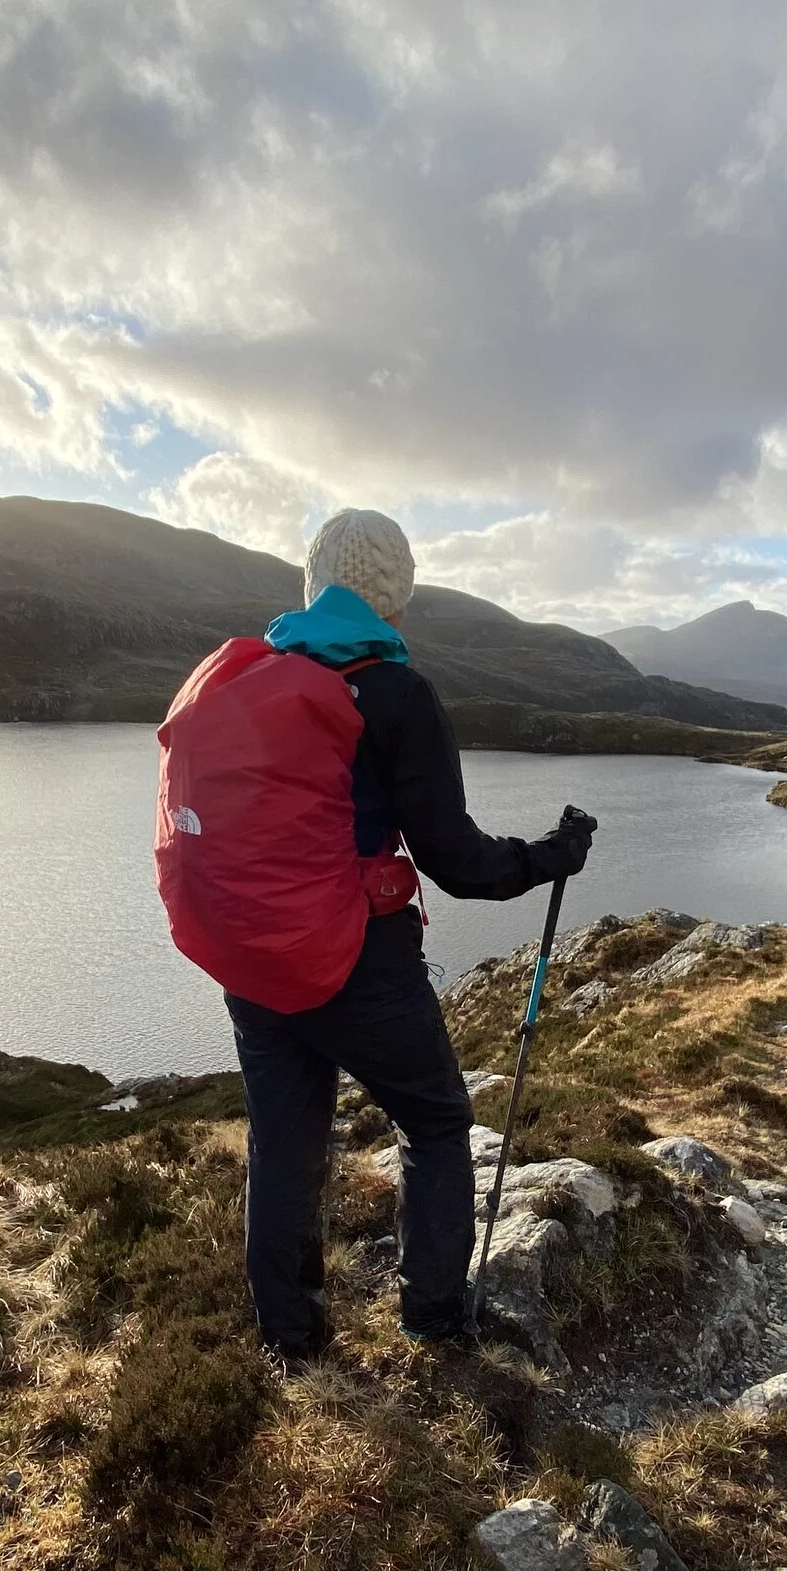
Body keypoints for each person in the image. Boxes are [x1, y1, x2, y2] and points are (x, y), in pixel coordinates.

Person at [219, 508, 593, 1363]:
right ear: (396, 591)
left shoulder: (262, 674)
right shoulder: (396, 690)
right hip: (357, 958)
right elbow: (456, 861)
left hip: (255, 957)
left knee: (284, 1143)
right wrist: (552, 855)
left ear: (313, 581)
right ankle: (431, 1314)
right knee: (432, 1120)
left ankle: (292, 1341)